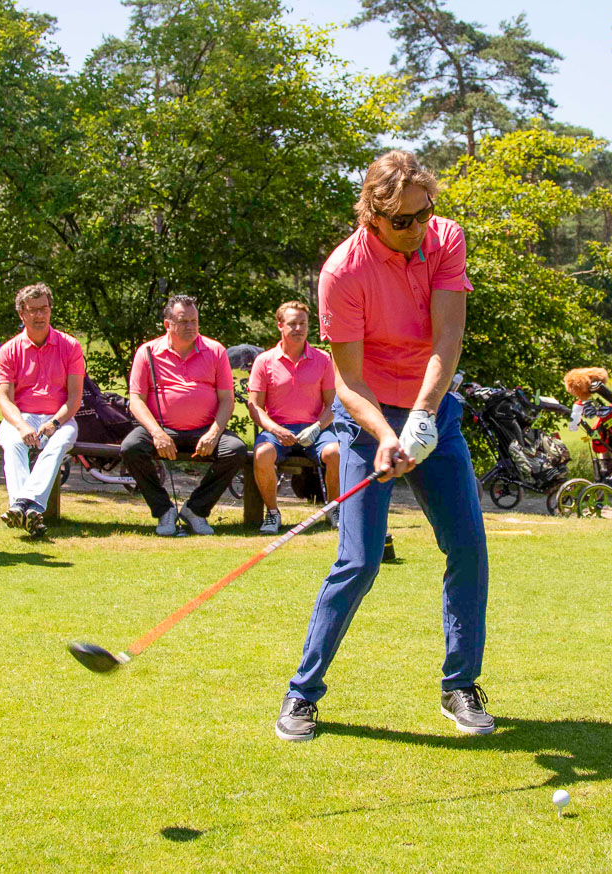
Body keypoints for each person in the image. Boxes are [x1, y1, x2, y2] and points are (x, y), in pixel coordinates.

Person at [275, 150, 493, 741]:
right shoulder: (342, 272)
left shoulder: (444, 238)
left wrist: (422, 416)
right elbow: (348, 381)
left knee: (468, 547)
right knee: (360, 560)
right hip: (365, 420)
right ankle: (301, 694)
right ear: (372, 215)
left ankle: (460, 684)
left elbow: (448, 337)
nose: (417, 228)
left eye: (425, 213)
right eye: (402, 220)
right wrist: (386, 435)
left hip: (433, 411)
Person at [121, 294, 247, 536]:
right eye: (183, 322)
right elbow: (136, 400)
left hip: (204, 429)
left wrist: (214, 433)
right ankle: (164, 510)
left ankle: (196, 510)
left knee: (236, 450)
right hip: (161, 428)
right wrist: (157, 433)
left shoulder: (215, 350)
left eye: (194, 321)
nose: (191, 327)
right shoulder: (147, 352)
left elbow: (227, 400)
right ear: (167, 324)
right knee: (131, 448)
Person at [0, 283, 84, 537]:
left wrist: (54, 423)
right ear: (21, 314)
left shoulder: (70, 346)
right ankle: (30, 510)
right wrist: (22, 426)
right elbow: (5, 399)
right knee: (12, 443)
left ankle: (21, 506)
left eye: (44, 308)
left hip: (60, 418)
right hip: (21, 416)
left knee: (57, 445)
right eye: (32, 310)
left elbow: (75, 398)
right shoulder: (8, 350)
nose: (39, 315)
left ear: (50, 310)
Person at [247, 300, 340, 535]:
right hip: (278, 430)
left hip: (316, 430)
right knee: (262, 454)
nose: (298, 328)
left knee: (336, 453)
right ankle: (272, 513)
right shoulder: (264, 361)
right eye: (292, 324)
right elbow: (255, 407)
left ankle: (334, 509)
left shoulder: (323, 359)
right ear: (280, 325)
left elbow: (333, 404)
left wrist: (317, 427)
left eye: (303, 323)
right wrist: (276, 430)